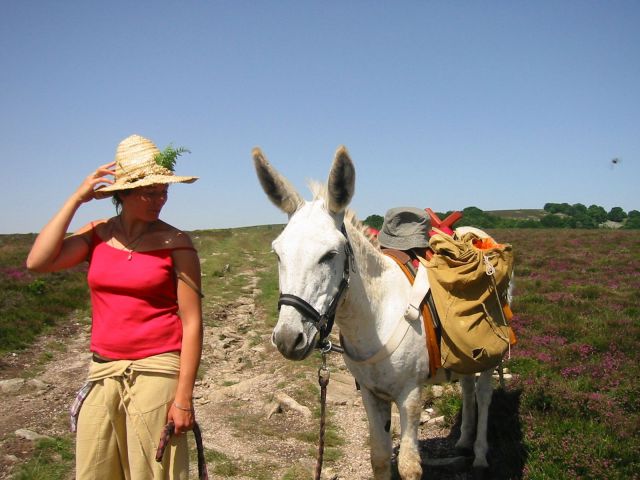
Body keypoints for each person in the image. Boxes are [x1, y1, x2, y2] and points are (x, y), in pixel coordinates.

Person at [26, 134, 203, 479]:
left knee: (153, 472)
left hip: (156, 370)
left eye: (163, 190)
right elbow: (37, 261)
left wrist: (183, 398)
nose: (159, 199)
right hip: (102, 371)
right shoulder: (97, 234)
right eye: (148, 191)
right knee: (94, 470)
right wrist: (77, 199)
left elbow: (192, 322)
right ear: (122, 192)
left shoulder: (177, 243)